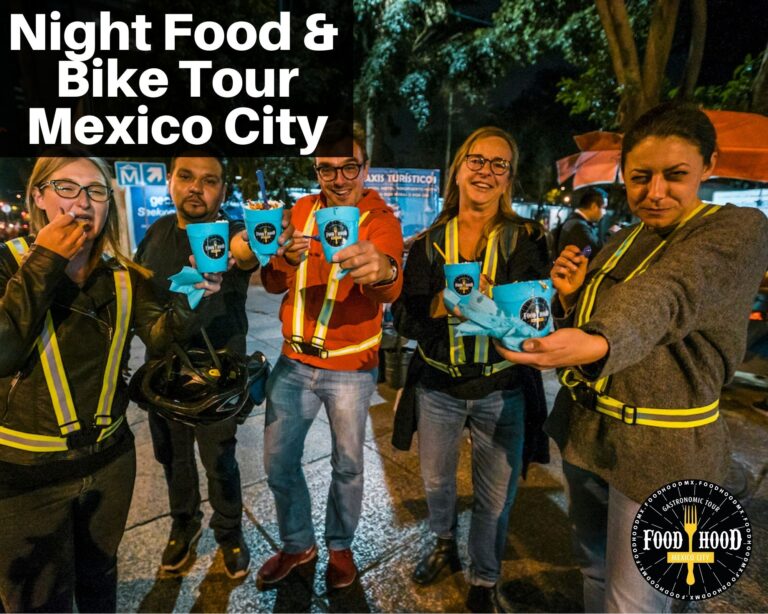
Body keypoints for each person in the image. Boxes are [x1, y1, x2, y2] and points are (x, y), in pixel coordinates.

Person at [494, 103, 768, 613]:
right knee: (595, 571)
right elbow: (612, 310)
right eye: (641, 177)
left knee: (635, 602)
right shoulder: (623, 239)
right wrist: (575, 298)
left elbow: (669, 295)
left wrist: (598, 339)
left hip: (667, 451)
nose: (656, 192)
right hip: (592, 437)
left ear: (710, 165)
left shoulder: (736, 229)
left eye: (675, 175)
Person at [0, 153, 222, 612]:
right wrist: (46, 260)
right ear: (39, 197)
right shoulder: (10, 264)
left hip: (109, 460)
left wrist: (191, 295)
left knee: (101, 581)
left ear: (109, 205)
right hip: (25, 473)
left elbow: (158, 337)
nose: (81, 201)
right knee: (40, 601)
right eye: (66, 187)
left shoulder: (125, 276)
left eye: (95, 191)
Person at [390, 126, 551, 612]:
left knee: (495, 497)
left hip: (503, 389)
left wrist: (534, 300)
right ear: (458, 170)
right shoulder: (428, 244)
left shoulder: (526, 239)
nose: (486, 171)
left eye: (498, 164)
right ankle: (443, 543)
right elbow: (406, 317)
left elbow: (535, 316)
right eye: (476, 160)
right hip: (438, 386)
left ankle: (484, 579)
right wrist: (444, 301)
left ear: (508, 180)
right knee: (437, 483)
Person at [257, 122, 403, 590]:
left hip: (351, 371)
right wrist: (283, 259)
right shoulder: (301, 210)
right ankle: (298, 544)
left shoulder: (380, 220)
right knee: (278, 463)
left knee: (348, 465)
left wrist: (381, 270)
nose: (338, 179)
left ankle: (340, 547)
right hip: (293, 361)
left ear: (365, 168)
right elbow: (272, 281)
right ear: (315, 169)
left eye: (348, 168)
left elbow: (391, 283)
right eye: (326, 169)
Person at [133, 153, 290, 579]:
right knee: (173, 461)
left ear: (223, 190)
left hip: (219, 378)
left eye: (209, 180)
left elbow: (246, 250)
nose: (196, 188)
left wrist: (256, 242)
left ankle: (229, 533)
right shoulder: (155, 234)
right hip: (164, 376)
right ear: (170, 181)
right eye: (186, 176)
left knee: (220, 461)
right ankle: (182, 527)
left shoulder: (230, 233)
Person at [555, 187, 606, 257]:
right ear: (594, 206)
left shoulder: (574, 222)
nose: (604, 212)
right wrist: (612, 235)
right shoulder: (578, 227)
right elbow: (594, 252)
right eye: (604, 208)